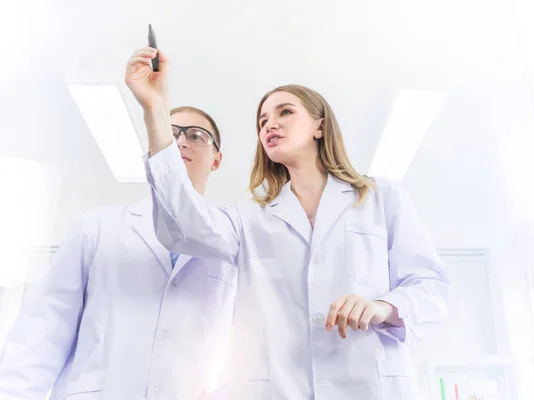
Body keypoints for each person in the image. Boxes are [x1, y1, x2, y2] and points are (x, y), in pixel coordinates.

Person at [130, 46, 450, 399]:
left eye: (285, 112)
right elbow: (182, 225)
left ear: (319, 126)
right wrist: (155, 110)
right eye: (263, 120)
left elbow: (430, 288)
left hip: (369, 386)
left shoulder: (381, 199)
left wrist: (382, 307)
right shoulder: (248, 217)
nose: (270, 124)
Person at [0, 101, 236, 399]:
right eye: (170, 133)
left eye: (196, 136)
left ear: (217, 159)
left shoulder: (231, 245)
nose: (179, 142)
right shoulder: (98, 227)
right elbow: (43, 329)